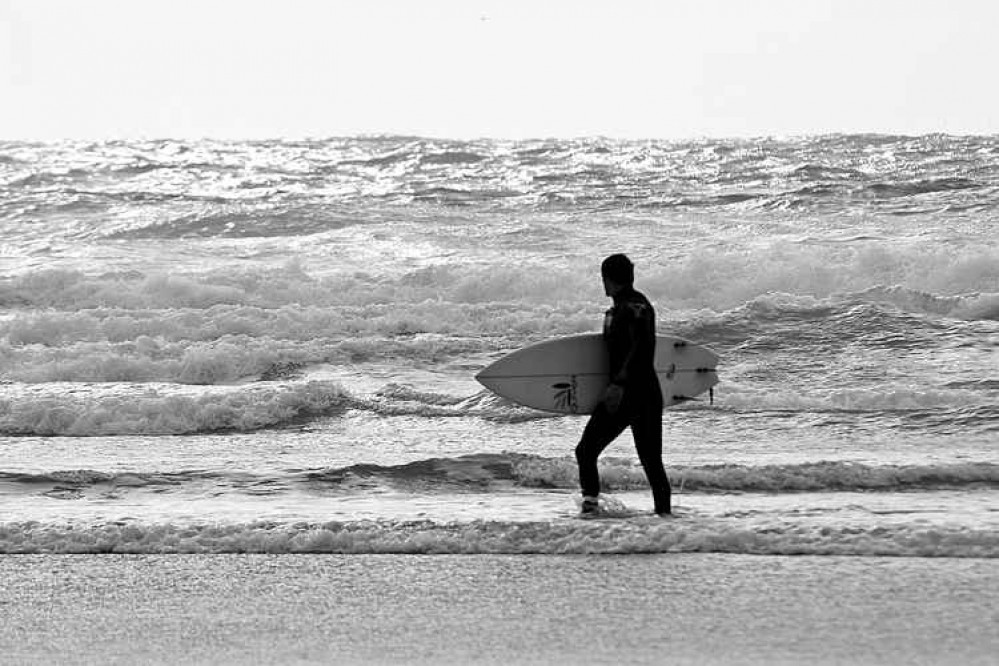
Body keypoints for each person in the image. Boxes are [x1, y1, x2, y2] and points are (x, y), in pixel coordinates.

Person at [575, 254, 672, 516]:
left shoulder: (632, 308)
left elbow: (639, 348)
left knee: (585, 451)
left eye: (603, 278)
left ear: (609, 280)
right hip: (648, 393)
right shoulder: (634, 306)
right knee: (652, 463)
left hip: (627, 393)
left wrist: (618, 384)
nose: (602, 284)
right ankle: (666, 519)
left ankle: (590, 510)